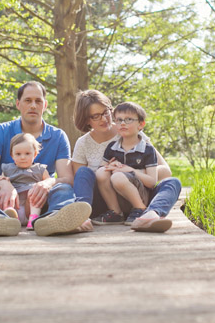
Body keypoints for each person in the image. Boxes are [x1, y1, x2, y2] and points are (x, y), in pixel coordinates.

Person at [0, 81, 91, 237]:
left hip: (39, 201)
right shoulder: (1, 131)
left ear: (45, 105)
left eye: (38, 101)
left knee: (63, 189)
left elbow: (67, 178)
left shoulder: (58, 135)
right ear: (18, 104)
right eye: (28, 101)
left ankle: (54, 219)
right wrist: (4, 184)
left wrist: (48, 182)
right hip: (5, 202)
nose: (33, 106)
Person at [71, 90, 181, 233]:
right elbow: (80, 180)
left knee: (173, 183)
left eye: (106, 112)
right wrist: (106, 169)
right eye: (96, 116)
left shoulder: (131, 132)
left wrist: (129, 171)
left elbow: (165, 171)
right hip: (105, 204)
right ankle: (82, 216)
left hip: (138, 195)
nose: (104, 119)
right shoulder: (83, 143)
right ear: (86, 119)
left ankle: (150, 215)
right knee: (83, 172)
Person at [0, 133, 48, 229]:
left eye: (27, 153)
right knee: (7, 194)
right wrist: (4, 180)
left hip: (31, 208)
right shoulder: (7, 169)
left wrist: (42, 184)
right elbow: (2, 182)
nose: (22, 157)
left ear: (34, 154)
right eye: (18, 154)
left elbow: (48, 182)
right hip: (15, 205)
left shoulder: (39, 169)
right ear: (12, 155)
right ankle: (11, 218)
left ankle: (33, 219)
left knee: (34, 192)